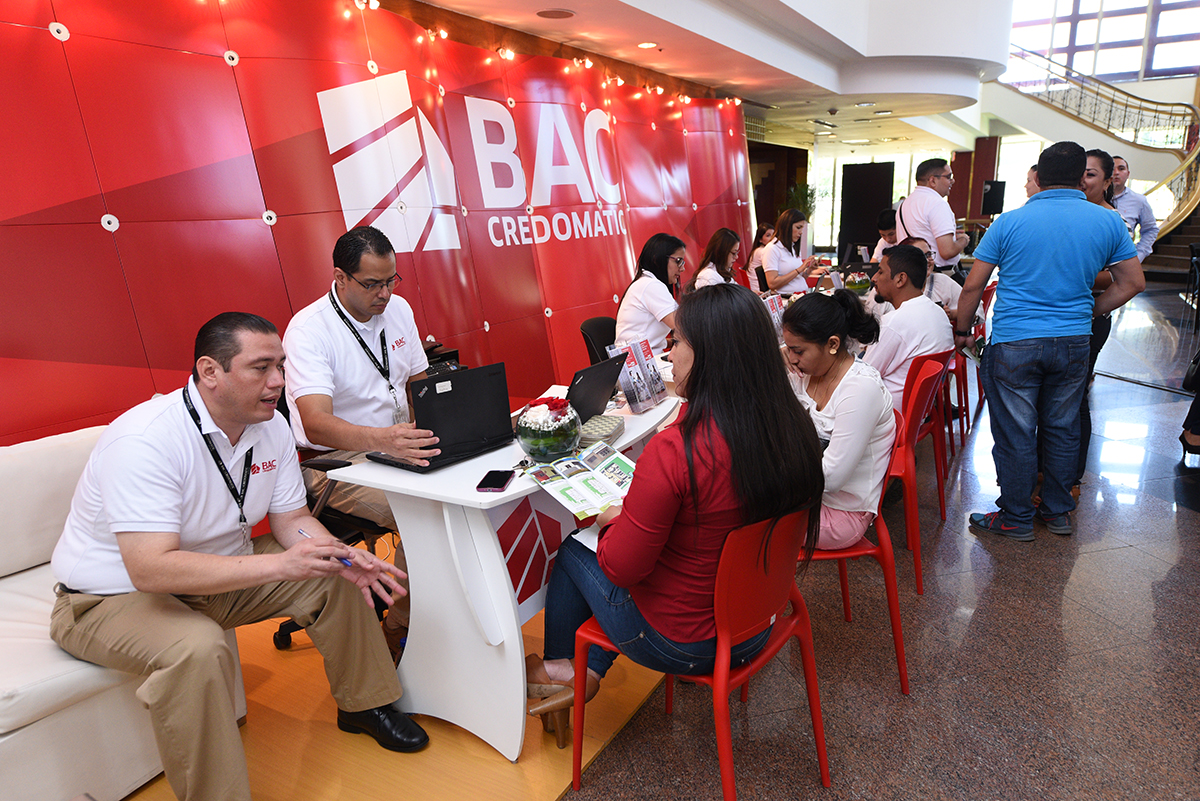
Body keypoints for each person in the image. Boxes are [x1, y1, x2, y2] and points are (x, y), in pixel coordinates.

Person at [49, 313, 427, 801]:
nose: (279, 381)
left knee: (334, 570)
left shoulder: (270, 427)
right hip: (110, 597)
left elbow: (292, 520)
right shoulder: (146, 439)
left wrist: (332, 552)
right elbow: (150, 567)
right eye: (261, 368)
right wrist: (282, 564)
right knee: (197, 648)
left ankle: (364, 704)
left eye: (281, 366)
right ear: (210, 371)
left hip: (219, 569)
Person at [525, 283, 824, 724]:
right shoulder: (792, 427)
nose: (670, 355)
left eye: (678, 342)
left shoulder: (677, 451)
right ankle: (583, 669)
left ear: (709, 357)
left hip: (685, 643)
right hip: (760, 623)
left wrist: (611, 521)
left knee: (574, 549)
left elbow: (622, 569)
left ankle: (565, 671)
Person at [955, 141, 1143, 542]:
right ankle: (1057, 512)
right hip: (1073, 341)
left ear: (1038, 177)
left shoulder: (1009, 222)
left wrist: (962, 330)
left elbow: (972, 286)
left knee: (1016, 431)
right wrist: (1088, 312)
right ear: (1080, 178)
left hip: (1015, 342)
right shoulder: (1108, 222)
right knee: (1062, 426)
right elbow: (1132, 282)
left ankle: (1016, 516)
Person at [283, 225, 438, 660]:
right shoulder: (309, 330)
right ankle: (399, 627)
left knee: (469, 494)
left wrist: (443, 426)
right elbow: (316, 424)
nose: (384, 294)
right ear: (340, 277)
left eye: (391, 281)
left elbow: (419, 385)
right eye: (372, 284)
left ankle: (440, 619)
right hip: (333, 464)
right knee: (428, 515)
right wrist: (384, 439)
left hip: (399, 445)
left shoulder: (399, 309)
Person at [782, 291, 896, 549]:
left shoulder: (860, 389)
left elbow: (831, 478)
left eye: (797, 350)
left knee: (738, 515)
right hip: (807, 497)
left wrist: (768, 471)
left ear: (833, 344)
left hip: (841, 512)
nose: (792, 358)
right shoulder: (807, 372)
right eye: (787, 348)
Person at [863, 244, 954, 411]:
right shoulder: (938, 313)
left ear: (900, 279)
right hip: (919, 412)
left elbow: (863, 377)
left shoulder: (893, 322)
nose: (874, 278)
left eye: (880, 272)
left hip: (888, 415)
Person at [895, 158, 970, 279]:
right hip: (938, 277)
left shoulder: (904, 205)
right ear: (933, 180)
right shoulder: (937, 203)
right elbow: (947, 251)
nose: (953, 181)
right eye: (949, 177)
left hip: (912, 274)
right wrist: (964, 240)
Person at [615, 233, 685, 352]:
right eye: (678, 261)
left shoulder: (647, 283)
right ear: (657, 259)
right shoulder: (650, 285)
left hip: (643, 357)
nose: (682, 268)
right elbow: (683, 327)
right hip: (639, 360)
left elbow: (652, 339)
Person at [763, 208, 824, 293]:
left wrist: (810, 269)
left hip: (800, 294)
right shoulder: (772, 249)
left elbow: (798, 279)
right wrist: (799, 269)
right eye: (798, 227)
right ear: (787, 226)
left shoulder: (792, 247)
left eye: (802, 228)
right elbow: (772, 284)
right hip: (786, 297)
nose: (801, 232)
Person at [1111, 155, 1159, 262]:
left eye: (1121, 169)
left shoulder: (1139, 201)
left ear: (1128, 174)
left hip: (1124, 259)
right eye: (1112, 169)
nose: (1116, 172)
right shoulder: (1094, 197)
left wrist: (1139, 254)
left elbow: (1151, 229)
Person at [685, 227, 741, 292]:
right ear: (721, 252)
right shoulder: (708, 276)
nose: (736, 257)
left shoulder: (722, 272)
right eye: (734, 253)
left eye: (737, 253)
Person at [745, 223, 774, 293]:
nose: (772, 238)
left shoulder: (758, 250)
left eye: (774, 235)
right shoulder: (762, 251)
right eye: (768, 235)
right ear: (760, 239)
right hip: (758, 290)